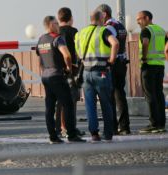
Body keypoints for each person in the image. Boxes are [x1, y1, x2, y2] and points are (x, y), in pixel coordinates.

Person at [36, 15, 86, 144]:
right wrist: (69, 68)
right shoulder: (57, 39)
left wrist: (44, 70)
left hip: (46, 76)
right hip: (57, 76)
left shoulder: (41, 40)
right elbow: (67, 55)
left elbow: (40, 59)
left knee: (50, 107)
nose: (58, 26)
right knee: (68, 104)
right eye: (56, 24)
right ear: (51, 25)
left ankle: (53, 136)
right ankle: (71, 135)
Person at [75, 11, 119, 142]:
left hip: (86, 72)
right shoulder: (103, 31)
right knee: (106, 103)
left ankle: (94, 133)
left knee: (90, 104)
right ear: (101, 18)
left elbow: (78, 52)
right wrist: (112, 60)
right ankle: (108, 133)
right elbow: (115, 43)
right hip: (101, 71)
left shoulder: (80, 33)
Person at [96, 4, 131, 135]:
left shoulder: (108, 27)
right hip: (122, 63)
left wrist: (109, 60)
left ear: (104, 14)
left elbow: (112, 44)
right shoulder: (120, 25)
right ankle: (125, 126)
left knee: (110, 97)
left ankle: (113, 127)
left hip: (113, 63)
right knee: (120, 95)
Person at [55, 7, 85, 137]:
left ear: (59, 18)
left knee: (59, 101)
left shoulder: (55, 33)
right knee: (72, 100)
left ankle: (60, 128)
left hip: (56, 70)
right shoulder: (74, 32)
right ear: (71, 19)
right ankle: (70, 127)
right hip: (71, 69)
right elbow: (80, 51)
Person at [136, 10, 168, 133]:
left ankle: (153, 124)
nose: (138, 22)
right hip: (160, 66)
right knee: (159, 94)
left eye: (139, 19)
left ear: (147, 18)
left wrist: (143, 58)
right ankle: (161, 124)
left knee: (150, 95)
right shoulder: (161, 30)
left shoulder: (146, 30)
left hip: (148, 65)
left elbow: (145, 43)